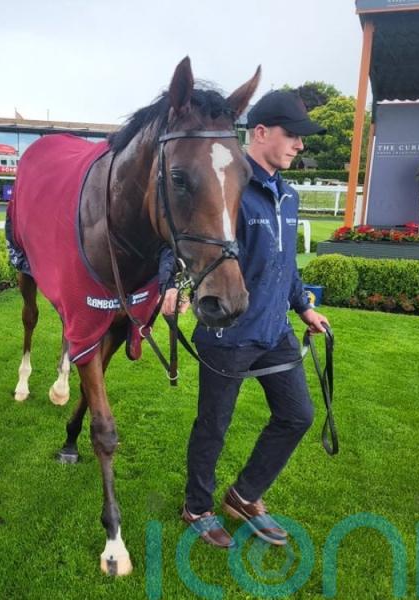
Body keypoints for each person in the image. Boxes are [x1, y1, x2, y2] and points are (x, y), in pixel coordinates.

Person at [163, 90, 330, 548]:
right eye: (292, 135)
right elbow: (181, 236)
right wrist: (170, 287)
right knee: (213, 425)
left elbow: (286, 263)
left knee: (298, 415)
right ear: (260, 133)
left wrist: (304, 306)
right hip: (228, 330)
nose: (300, 145)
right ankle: (197, 506)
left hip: (274, 329)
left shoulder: (288, 195)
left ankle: (244, 495)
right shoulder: (228, 187)